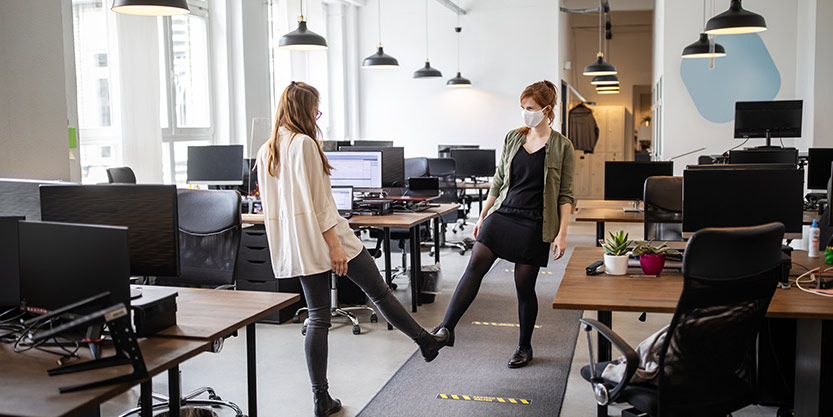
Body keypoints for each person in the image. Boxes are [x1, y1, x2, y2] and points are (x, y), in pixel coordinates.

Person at [257, 81, 449, 417]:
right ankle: (425, 342)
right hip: (327, 237)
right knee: (379, 291)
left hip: (297, 244)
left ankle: (321, 398)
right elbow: (320, 206)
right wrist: (334, 246)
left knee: (317, 317)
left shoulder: (268, 149)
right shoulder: (304, 144)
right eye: (315, 108)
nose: (318, 115)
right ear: (304, 109)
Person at [435, 80, 575, 368]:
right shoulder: (513, 138)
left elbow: (566, 194)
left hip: (535, 222)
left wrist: (562, 233)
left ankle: (525, 346)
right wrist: (483, 215)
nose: (526, 113)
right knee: (475, 264)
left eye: (531, 108)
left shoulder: (563, 147)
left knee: (524, 286)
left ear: (547, 110)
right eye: (523, 107)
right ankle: (446, 330)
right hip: (504, 214)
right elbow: (499, 181)